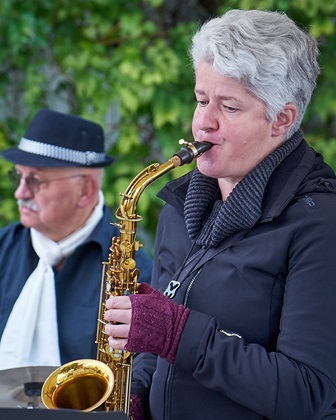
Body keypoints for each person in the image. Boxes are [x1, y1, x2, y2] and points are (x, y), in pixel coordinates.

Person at [103, 9, 336, 420]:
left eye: (228, 107)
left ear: (282, 119)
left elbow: (307, 393)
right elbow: (154, 348)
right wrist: (135, 395)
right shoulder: (182, 206)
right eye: (200, 99)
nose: (202, 124)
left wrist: (177, 333)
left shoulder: (320, 224)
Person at [0, 109, 152, 370]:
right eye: (18, 176)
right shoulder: (4, 246)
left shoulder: (134, 270)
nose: (19, 192)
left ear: (85, 190)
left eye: (35, 180)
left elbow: (144, 370)